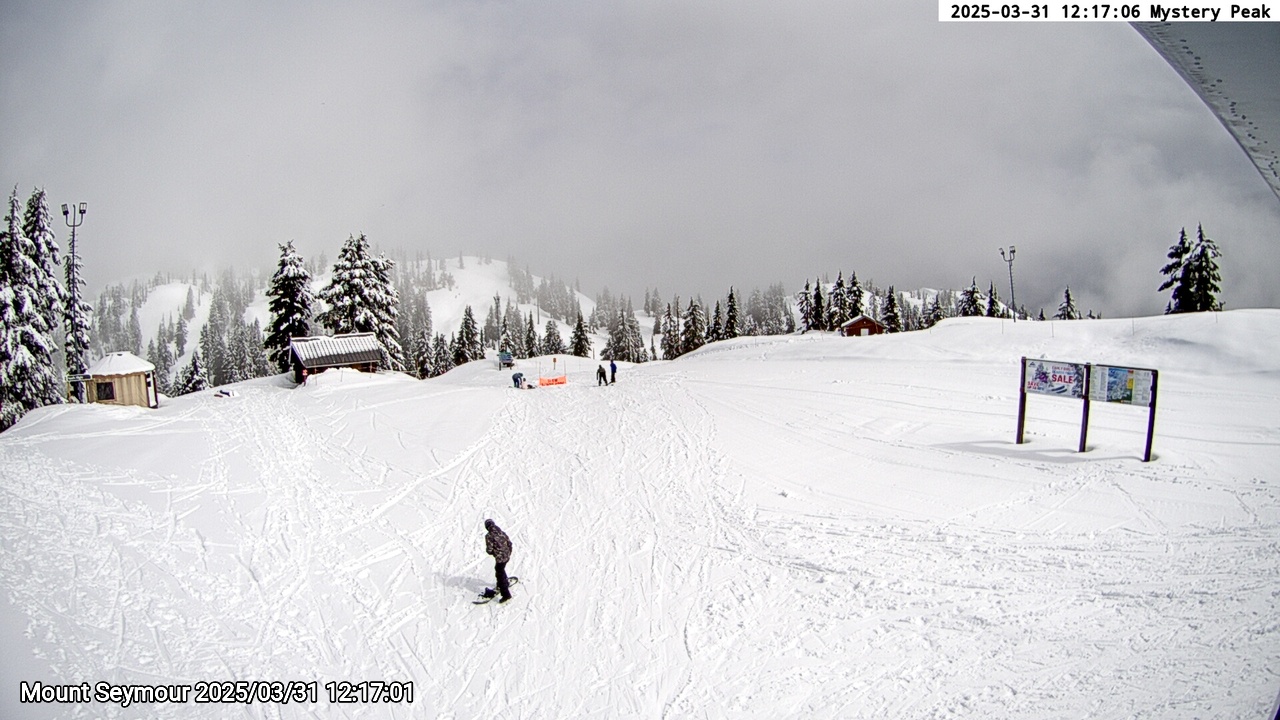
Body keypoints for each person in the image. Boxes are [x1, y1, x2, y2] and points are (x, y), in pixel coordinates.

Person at [483, 519, 513, 603]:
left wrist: (494, 553)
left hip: (500, 558)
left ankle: (506, 594)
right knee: (501, 569)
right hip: (507, 555)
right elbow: (509, 543)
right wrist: (508, 552)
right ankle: (504, 583)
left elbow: (489, 549)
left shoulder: (489, 536)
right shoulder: (501, 532)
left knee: (499, 573)